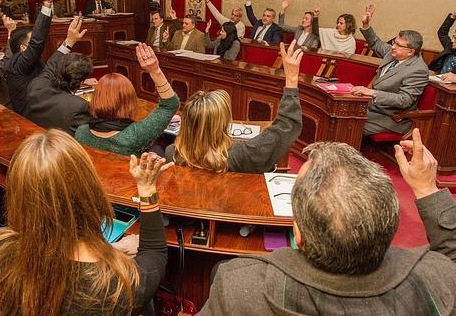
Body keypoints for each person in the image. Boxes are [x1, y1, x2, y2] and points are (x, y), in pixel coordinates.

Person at [199, 128, 456, 315]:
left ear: (299, 236)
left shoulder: (242, 288)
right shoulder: (438, 281)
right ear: (388, 225)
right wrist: (427, 189)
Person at [0, 133, 170, 315]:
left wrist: (113, 250)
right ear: (89, 190)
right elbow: (155, 253)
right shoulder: (117, 285)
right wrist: (146, 189)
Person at [165, 40, 303, 174]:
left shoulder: (172, 153)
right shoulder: (240, 155)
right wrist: (291, 79)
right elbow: (287, 126)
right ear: (222, 125)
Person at [75, 43, 179, 156]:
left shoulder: (81, 132)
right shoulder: (134, 135)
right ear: (129, 102)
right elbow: (170, 105)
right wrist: (155, 71)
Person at [351, 4, 429, 135]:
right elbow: (375, 43)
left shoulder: (418, 70)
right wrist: (366, 24)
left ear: (410, 51)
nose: (393, 46)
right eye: (394, 42)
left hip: (390, 117)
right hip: (371, 108)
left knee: (349, 125)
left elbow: (404, 100)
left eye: (398, 45)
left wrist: (372, 93)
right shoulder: (393, 53)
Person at [24, 17, 95, 135]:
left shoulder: (37, 86)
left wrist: (69, 41)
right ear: (81, 82)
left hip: (34, 139)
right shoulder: (79, 106)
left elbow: (50, 66)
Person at [4, 0, 53, 115]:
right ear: (23, 48)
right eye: (30, 43)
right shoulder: (19, 64)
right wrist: (46, 3)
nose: (35, 45)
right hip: (30, 116)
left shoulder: (18, 60)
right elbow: (38, 40)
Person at [429, 10, 456, 81]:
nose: (452, 40)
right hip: (439, 80)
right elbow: (442, 33)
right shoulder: (450, 46)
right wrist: (453, 16)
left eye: (455, 38)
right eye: (453, 37)